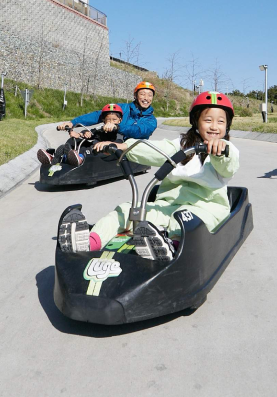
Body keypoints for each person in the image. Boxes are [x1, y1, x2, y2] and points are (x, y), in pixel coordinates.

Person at [57, 91, 240, 262]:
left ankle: (170, 248)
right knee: (126, 210)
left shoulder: (225, 150)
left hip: (205, 209)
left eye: (220, 122)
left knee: (184, 222)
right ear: (196, 121)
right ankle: (88, 242)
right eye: (208, 120)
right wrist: (125, 147)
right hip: (167, 207)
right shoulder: (181, 144)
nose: (214, 127)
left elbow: (229, 167)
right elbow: (157, 150)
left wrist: (221, 151)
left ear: (227, 125)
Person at [58, 81, 157, 140]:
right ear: (135, 96)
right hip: (112, 141)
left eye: (149, 95)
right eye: (142, 94)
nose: (146, 98)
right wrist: (72, 123)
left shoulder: (151, 121)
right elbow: (98, 116)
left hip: (131, 147)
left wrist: (117, 127)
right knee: (81, 141)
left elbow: (139, 131)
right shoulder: (122, 108)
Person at [37, 104, 124, 167]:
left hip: (105, 152)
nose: (110, 122)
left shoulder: (118, 130)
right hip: (93, 147)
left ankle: (79, 158)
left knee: (89, 149)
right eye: (108, 120)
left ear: (119, 120)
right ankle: (56, 158)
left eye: (114, 120)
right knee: (73, 142)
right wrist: (80, 134)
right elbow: (92, 132)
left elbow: (117, 135)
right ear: (103, 120)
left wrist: (113, 127)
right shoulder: (100, 128)